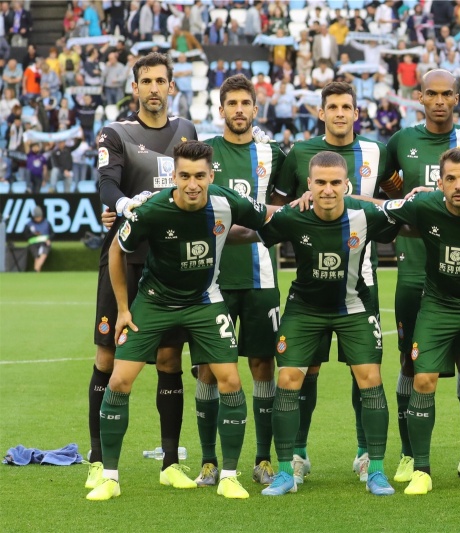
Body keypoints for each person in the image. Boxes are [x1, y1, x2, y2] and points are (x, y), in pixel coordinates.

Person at [86, 140, 271, 501]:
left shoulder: (226, 201)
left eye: (199, 176)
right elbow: (117, 250)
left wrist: (310, 203)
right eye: (185, 176)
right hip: (154, 302)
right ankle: (109, 477)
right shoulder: (152, 209)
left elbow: (268, 217)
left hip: (205, 301)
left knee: (231, 380)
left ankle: (229, 476)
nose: (192, 184)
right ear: (174, 176)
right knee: (119, 380)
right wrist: (123, 309)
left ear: (211, 176)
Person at [272, 81, 401, 485]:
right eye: (333, 107)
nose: (340, 113)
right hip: (310, 284)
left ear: (356, 112)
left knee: (364, 372)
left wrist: (365, 203)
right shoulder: (299, 153)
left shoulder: (377, 151)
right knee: (303, 371)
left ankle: (366, 455)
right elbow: (276, 206)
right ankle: (296, 455)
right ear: (321, 112)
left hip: (361, 281)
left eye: (347, 106)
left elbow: (394, 200)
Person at [373, 148, 460, 495]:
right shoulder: (424, 205)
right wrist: (331, 197)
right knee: (423, 379)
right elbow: (377, 207)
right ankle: (421, 470)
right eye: (450, 178)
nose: (458, 185)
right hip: (437, 306)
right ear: (439, 183)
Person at [84, 52, 198, 493]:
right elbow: (107, 183)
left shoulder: (187, 131)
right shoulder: (116, 133)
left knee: (169, 359)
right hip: (124, 260)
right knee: (107, 358)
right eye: (145, 81)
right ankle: (98, 461)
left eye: (160, 81)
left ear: (171, 86)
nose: (153, 88)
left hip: (171, 263)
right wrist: (122, 205)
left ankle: (170, 462)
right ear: (134, 87)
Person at [386, 69, 460, 484]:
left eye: (447, 94)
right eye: (431, 94)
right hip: (414, 270)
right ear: (419, 97)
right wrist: (406, 199)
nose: (439, 101)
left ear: (457, 99)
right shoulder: (402, 141)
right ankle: (409, 455)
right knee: (409, 363)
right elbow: (389, 192)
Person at [191, 75, 287, 489]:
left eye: (245, 103)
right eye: (231, 103)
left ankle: (263, 459)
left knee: (263, 364)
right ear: (221, 110)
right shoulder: (205, 152)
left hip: (260, 277)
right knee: (208, 370)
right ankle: (208, 461)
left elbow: (280, 211)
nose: (239, 110)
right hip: (210, 279)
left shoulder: (273, 153)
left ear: (255, 108)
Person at [25, 206, 53, 272]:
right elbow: (26, 235)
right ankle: (37, 271)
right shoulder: (29, 225)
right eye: (36, 217)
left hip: (44, 243)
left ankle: (36, 269)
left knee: (43, 253)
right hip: (33, 243)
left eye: (39, 217)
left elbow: (52, 233)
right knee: (36, 256)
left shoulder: (46, 223)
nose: (38, 219)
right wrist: (34, 235)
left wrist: (49, 239)